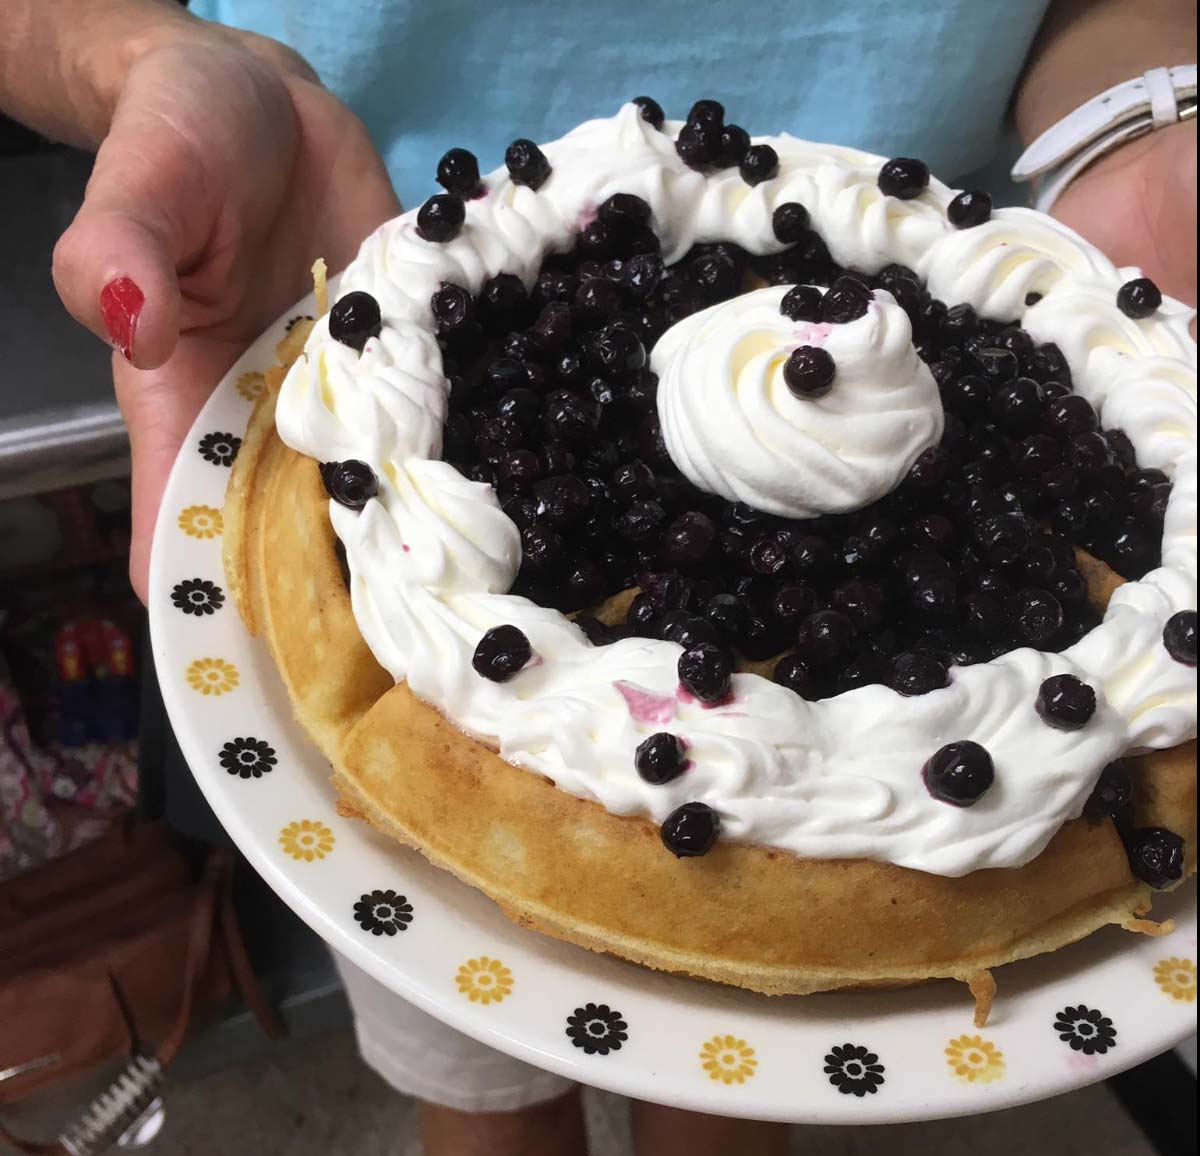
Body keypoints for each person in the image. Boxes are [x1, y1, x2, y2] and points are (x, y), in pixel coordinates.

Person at [1, 1, 1194, 1153]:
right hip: (332, 225)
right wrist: (139, 51)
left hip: (957, 269)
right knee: (476, 1068)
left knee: (739, 1076)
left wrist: (1145, 123)